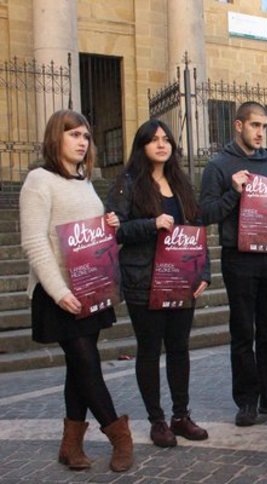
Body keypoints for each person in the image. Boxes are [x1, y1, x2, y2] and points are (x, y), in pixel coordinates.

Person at [19, 110, 132, 472]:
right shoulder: (39, 180)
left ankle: (71, 446)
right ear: (57, 139)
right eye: (74, 135)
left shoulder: (84, 181)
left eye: (86, 135)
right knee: (86, 362)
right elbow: (34, 242)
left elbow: (90, 238)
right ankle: (119, 434)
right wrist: (57, 290)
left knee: (78, 367)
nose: (83, 141)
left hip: (91, 288)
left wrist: (109, 224)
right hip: (60, 293)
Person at [199, 101, 267, 427]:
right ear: (239, 126)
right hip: (239, 258)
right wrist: (234, 192)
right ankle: (247, 401)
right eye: (255, 125)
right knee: (244, 331)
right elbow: (205, 213)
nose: (260, 132)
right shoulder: (218, 166)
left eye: (264, 126)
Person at [106, 119, 210, 448]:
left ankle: (181, 416)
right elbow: (117, 231)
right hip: (143, 278)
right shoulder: (127, 183)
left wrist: (203, 272)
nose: (161, 145)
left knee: (179, 348)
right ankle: (157, 420)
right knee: (150, 351)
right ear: (142, 146)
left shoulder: (180, 182)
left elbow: (196, 230)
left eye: (166, 139)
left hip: (180, 278)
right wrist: (152, 224)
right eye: (153, 140)